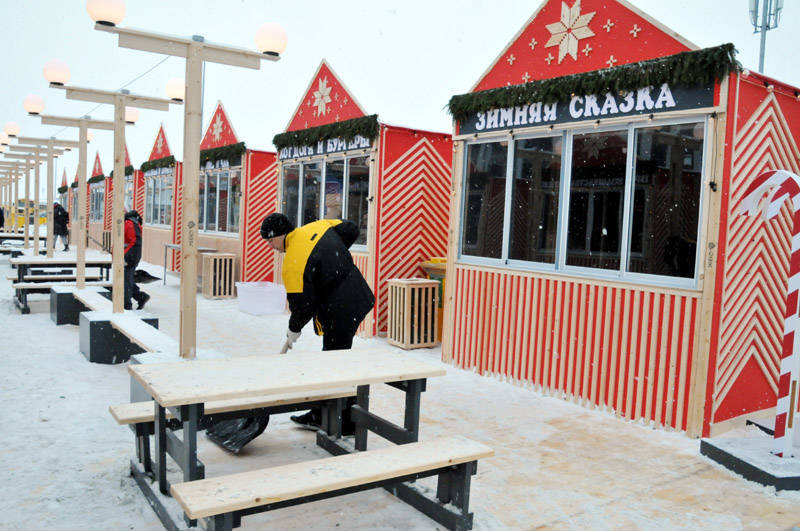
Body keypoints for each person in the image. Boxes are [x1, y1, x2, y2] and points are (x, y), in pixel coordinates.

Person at [262, 212, 375, 431]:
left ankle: (341, 420)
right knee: (336, 358)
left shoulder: (293, 261)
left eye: (270, 240)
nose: (270, 246)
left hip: (341, 308)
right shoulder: (317, 227)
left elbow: (302, 305)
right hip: (357, 294)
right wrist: (334, 257)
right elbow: (350, 227)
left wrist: (294, 329)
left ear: (280, 235)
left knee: (334, 361)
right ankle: (332, 414)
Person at [123, 209, 150, 310]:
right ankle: (140, 297)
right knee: (126, 278)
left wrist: (125, 255)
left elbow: (135, 242)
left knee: (125, 280)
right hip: (128, 256)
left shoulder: (130, 223)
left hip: (129, 257)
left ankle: (126, 306)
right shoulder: (127, 222)